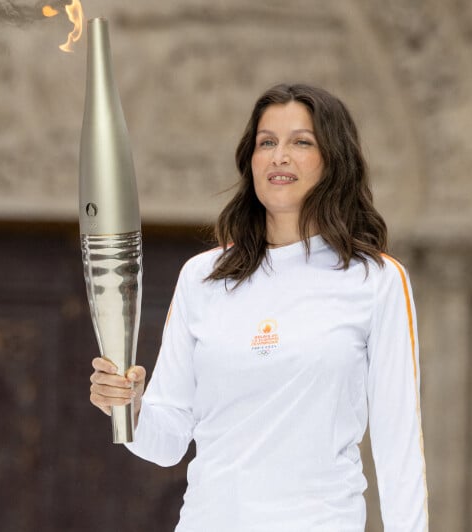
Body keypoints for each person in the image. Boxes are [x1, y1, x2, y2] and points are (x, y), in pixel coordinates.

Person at [90, 83, 429, 531]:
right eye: (266, 142)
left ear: (334, 161)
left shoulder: (376, 280)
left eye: (301, 142)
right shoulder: (203, 276)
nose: (278, 156)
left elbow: (398, 443)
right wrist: (129, 408)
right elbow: (168, 439)